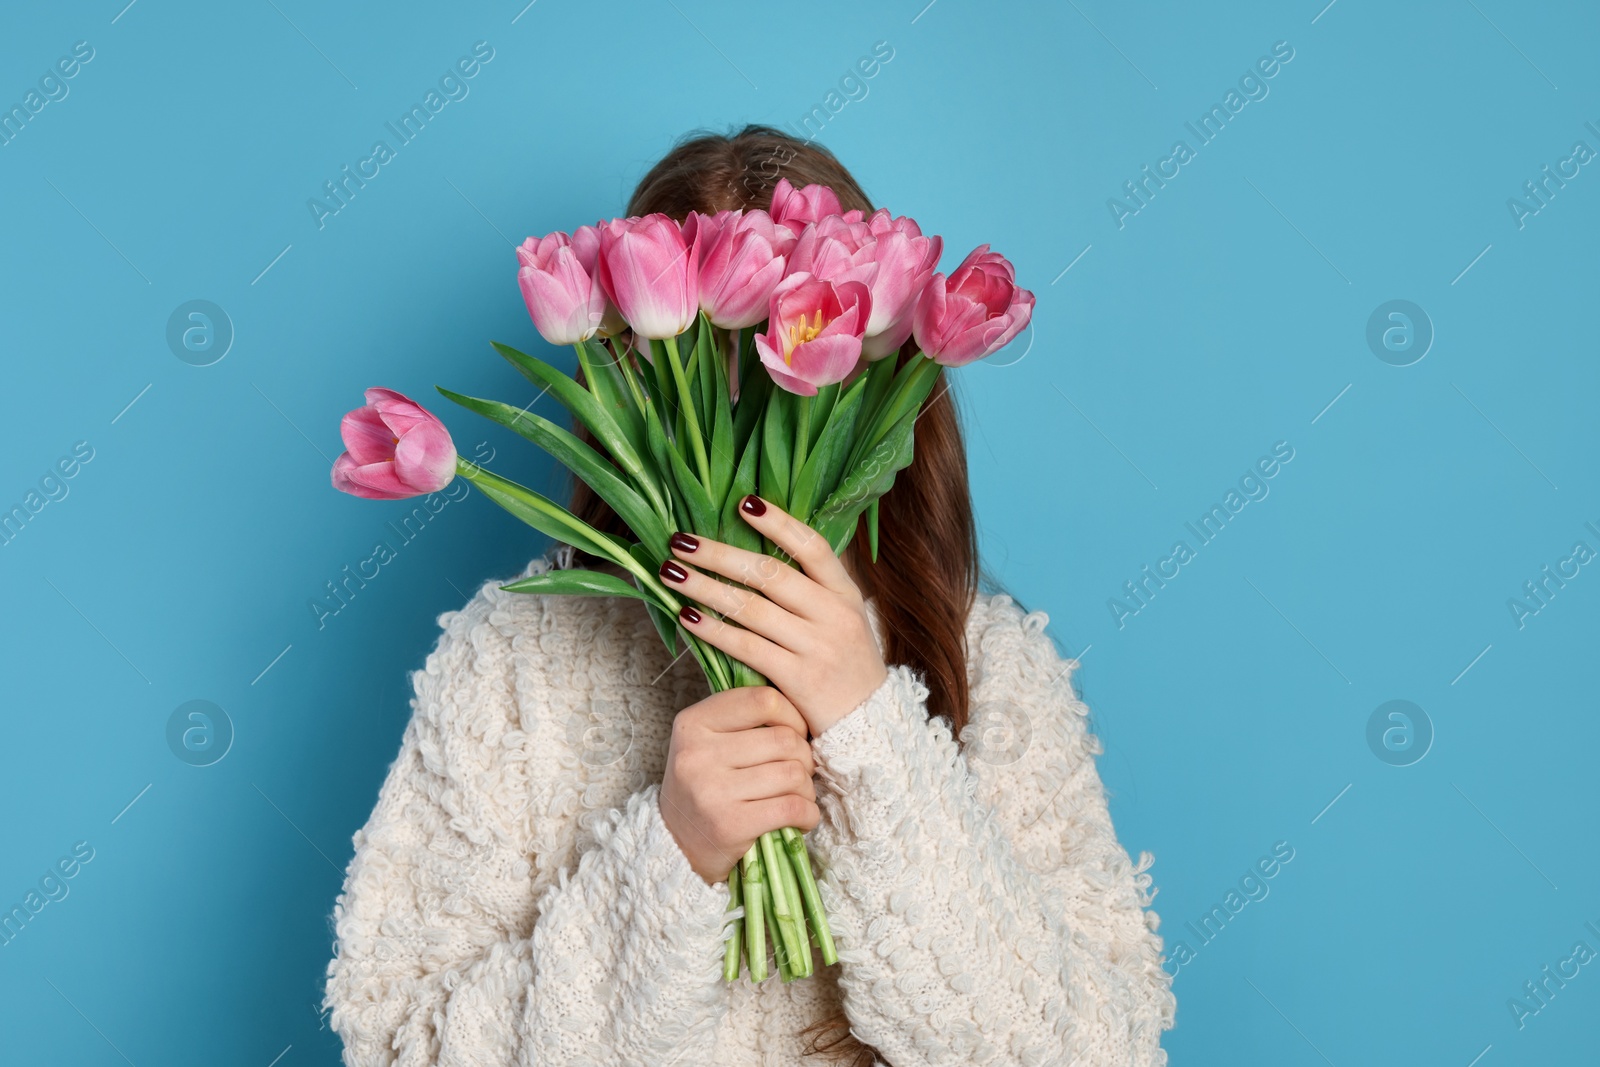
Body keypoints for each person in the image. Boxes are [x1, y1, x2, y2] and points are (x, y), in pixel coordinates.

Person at [321, 125, 1177, 1066]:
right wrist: (668, 860)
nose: (736, 436)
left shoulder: (995, 663)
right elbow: (404, 1050)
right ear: (626, 371)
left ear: (882, 364)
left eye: (794, 365)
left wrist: (874, 737)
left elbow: (1099, 1052)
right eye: (704, 366)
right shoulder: (514, 664)